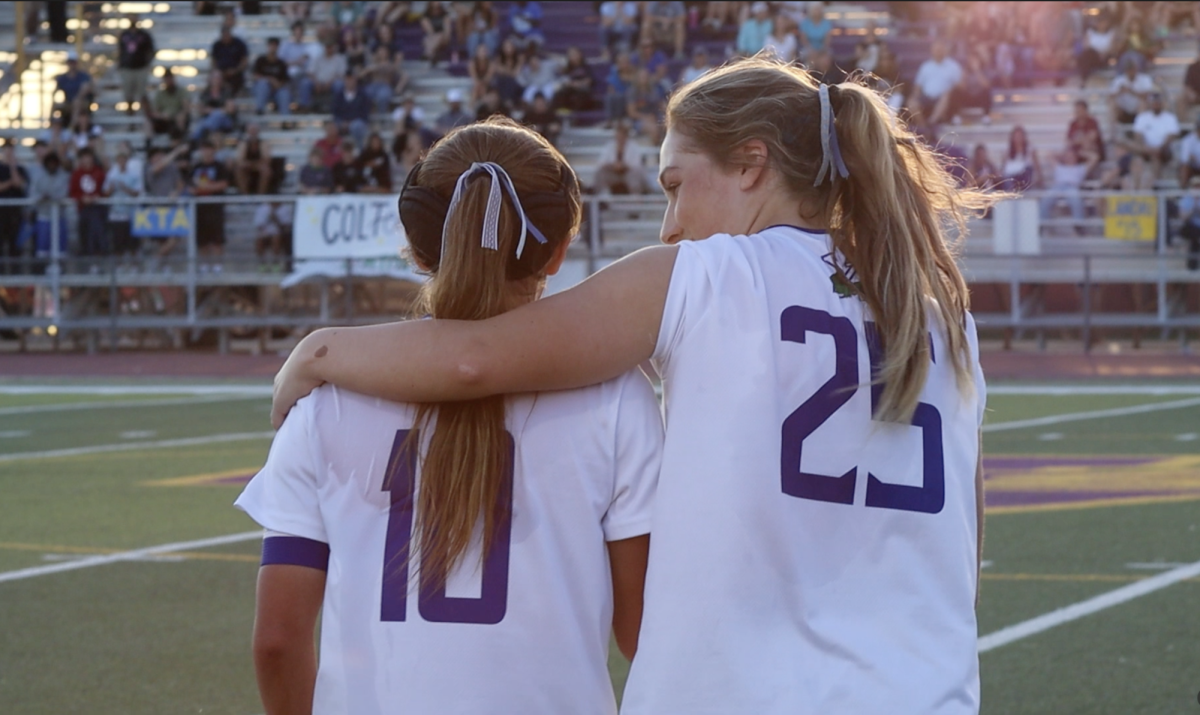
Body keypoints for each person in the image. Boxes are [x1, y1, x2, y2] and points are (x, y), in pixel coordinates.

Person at [272, 59, 989, 714]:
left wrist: (318, 351)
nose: (671, 225)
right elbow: (967, 535)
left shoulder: (706, 275)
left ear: (750, 163)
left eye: (676, 186)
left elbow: (475, 357)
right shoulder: (936, 310)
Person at [242, 118, 658, 714]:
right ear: (559, 251)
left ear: (414, 250)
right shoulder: (616, 397)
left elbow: (278, 642)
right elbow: (642, 631)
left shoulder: (325, 399)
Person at [188, 142, 231, 271]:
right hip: (199, 207)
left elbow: (223, 184)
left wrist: (204, 187)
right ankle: (204, 265)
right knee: (202, 239)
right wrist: (200, 188)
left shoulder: (219, 167)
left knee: (217, 238)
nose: (206, 152)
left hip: (215, 207)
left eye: (208, 149)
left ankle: (218, 266)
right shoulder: (196, 167)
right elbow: (190, 187)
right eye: (203, 149)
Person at [144, 143, 187, 268]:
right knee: (160, 240)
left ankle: (156, 260)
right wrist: (177, 151)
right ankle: (160, 265)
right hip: (157, 208)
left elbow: (180, 184)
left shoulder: (172, 167)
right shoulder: (149, 169)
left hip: (172, 207)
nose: (160, 158)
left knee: (174, 238)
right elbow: (158, 167)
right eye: (156, 156)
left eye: (161, 155)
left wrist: (176, 192)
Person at [104, 144, 144, 267]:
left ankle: (134, 266)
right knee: (118, 241)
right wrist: (111, 188)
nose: (121, 162)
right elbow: (106, 193)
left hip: (131, 213)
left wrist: (125, 188)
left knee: (133, 243)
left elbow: (137, 192)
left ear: (127, 160)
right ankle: (119, 266)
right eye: (119, 159)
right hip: (117, 213)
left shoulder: (134, 175)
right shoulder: (111, 175)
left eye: (124, 159)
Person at [1127, 92, 1180, 186]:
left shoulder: (1170, 118)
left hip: (1163, 151)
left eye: (1157, 103)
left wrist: (1159, 148)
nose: (1155, 105)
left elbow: (1171, 137)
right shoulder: (1142, 117)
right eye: (1154, 103)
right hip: (1146, 149)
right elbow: (1138, 135)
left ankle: (1154, 186)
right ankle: (1135, 190)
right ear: (1150, 104)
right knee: (1136, 159)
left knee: (1156, 157)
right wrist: (1146, 147)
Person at [907, 40, 962, 127]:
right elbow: (918, 85)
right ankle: (924, 127)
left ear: (945, 50)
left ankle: (932, 123)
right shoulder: (925, 66)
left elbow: (960, 86)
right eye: (936, 50)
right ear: (932, 51)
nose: (938, 52)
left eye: (940, 49)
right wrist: (915, 96)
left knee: (945, 96)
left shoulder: (953, 66)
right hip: (926, 97)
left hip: (945, 98)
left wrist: (951, 90)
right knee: (911, 102)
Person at [1039, 146, 1098, 224]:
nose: (1070, 157)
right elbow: (1049, 154)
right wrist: (1063, 154)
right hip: (1058, 187)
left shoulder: (1081, 168)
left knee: (1076, 200)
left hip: (1071, 187)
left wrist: (1080, 153)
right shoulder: (1059, 167)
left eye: (1072, 156)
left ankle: (1079, 224)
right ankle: (1043, 223)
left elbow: (1095, 157)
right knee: (1046, 199)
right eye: (1068, 156)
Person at [69, 147, 109, 260]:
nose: (86, 160)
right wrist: (82, 198)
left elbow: (105, 190)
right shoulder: (77, 174)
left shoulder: (99, 172)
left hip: (98, 208)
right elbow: (73, 192)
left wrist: (98, 196)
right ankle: (90, 252)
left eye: (88, 157)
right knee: (88, 228)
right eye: (84, 157)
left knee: (96, 224)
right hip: (83, 209)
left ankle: (98, 250)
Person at [592, 120, 651, 195]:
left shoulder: (634, 147)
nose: (620, 137)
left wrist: (623, 166)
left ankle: (636, 199)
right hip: (613, 174)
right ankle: (603, 198)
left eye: (622, 135)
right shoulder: (609, 146)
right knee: (600, 173)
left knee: (636, 174)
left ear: (626, 135)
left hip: (628, 174)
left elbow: (637, 165)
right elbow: (601, 163)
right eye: (618, 134)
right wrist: (613, 165)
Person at [117, 14, 156, 114]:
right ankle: (130, 115)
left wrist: (147, 62)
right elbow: (120, 50)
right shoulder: (124, 34)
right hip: (127, 68)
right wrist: (121, 64)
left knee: (142, 93)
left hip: (141, 68)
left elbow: (151, 50)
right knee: (128, 94)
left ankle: (146, 114)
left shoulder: (144, 35)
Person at [0, 140, 29, 274]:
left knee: (15, 246)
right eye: (6, 150)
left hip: (15, 214)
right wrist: (10, 182)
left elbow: (19, 184)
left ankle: (15, 277)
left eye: (11, 150)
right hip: (1, 213)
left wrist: (12, 167)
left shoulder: (20, 169)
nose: (9, 153)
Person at [144, 70, 189, 142]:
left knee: (181, 118)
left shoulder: (181, 91)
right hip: (164, 120)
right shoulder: (160, 94)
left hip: (176, 119)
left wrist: (180, 114)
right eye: (167, 79)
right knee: (148, 122)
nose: (169, 81)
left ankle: (180, 140)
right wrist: (162, 115)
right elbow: (155, 111)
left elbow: (186, 107)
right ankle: (149, 144)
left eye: (170, 79)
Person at [331, 73, 373, 148]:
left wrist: (350, 123)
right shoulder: (339, 95)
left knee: (356, 126)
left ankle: (360, 148)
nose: (350, 82)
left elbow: (364, 112)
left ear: (355, 81)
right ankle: (335, 149)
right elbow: (335, 111)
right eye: (348, 79)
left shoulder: (362, 95)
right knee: (332, 127)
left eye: (351, 79)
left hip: (358, 121)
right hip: (342, 121)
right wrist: (342, 122)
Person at [253, 38, 292, 115]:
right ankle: (259, 110)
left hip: (276, 90)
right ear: (268, 46)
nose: (273, 48)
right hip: (260, 89)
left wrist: (275, 85)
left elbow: (283, 81)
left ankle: (285, 120)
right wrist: (270, 80)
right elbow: (255, 77)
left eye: (275, 46)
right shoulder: (261, 60)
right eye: (271, 45)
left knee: (284, 93)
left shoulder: (281, 63)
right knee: (263, 84)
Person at [55, 51, 94, 125]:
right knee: (56, 104)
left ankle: (73, 127)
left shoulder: (83, 76)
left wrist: (79, 97)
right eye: (70, 62)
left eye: (73, 62)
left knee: (77, 102)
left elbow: (87, 88)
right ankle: (51, 124)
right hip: (68, 102)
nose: (71, 64)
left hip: (82, 102)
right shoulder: (63, 78)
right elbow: (56, 90)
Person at [211, 21, 250, 95]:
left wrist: (235, 70)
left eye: (227, 34)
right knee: (215, 76)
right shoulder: (217, 45)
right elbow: (213, 61)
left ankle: (230, 99)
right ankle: (215, 99)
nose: (226, 36)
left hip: (236, 73)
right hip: (221, 73)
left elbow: (244, 61)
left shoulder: (239, 44)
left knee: (235, 81)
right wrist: (219, 71)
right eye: (224, 34)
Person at [998, 125, 1040, 192]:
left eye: (1020, 135)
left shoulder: (1030, 149)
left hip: (1023, 177)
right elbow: (1003, 168)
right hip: (1011, 177)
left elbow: (1036, 167)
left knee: (1028, 170)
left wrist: (1039, 179)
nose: (1018, 138)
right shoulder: (1007, 150)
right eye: (1016, 136)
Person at [234, 123, 273, 195]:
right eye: (251, 130)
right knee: (239, 170)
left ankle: (261, 194)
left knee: (266, 171)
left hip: (259, 165)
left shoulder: (263, 143)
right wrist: (250, 164)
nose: (253, 132)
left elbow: (267, 159)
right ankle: (244, 193)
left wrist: (254, 164)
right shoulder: (243, 143)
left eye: (254, 130)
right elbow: (240, 160)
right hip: (247, 165)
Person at [421, 1, 452, 67]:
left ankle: (427, 54)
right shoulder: (426, 15)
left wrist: (443, 36)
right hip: (432, 38)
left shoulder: (445, 15)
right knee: (426, 39)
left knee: (439, 35)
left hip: (443, 38)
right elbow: (430, 31)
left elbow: (447, 31)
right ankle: (432, 56)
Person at [1177, 116, 1200, 187]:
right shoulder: (1187, 140)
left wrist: (1195, 158)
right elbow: (1184, 158)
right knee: (1184, 167)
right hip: (1192, 168)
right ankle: (1182, 193)